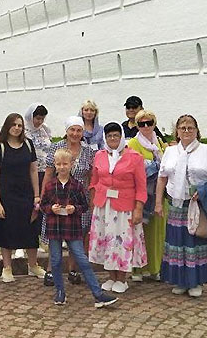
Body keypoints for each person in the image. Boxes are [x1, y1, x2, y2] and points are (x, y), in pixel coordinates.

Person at [155, 115, 207, 297]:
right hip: (176, 204)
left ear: (196, 130)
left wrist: (204, 190)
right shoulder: (170, 152)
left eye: (190, 128)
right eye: (183, 128)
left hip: (198, 204)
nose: (186, 131)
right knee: (177, 243)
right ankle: (180, 281)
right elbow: (162, 177)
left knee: (195, 241)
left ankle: (196, 281)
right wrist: (158, 204)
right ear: (177, 131)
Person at [41, 148, 118, 308]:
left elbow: (84, 206)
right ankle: (60, 292)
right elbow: (43, 205)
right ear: (55, 165)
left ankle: (98, 294)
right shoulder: (49, 186)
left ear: (71, 164)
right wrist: (51, 209)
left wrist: (74, 208)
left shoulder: (76, 185)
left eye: (65, 164)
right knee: (55, 261)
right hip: (54, 228)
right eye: (59, 164)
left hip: (72, 227)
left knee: (82, 260)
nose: (62, 167)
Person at [88, 122, 147, 294]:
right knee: (107, 241)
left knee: (122, 242)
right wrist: (93, 201)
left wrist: (138, 208)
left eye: (116, 135)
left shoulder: (134, 157)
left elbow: (141, 187)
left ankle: (122, 278)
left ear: (121, 137)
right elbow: (94, 180)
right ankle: (111, 276)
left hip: (124, 207)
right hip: (103, 206)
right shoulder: (99, 155)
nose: (113, 139)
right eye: (109, 136)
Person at [0, 113, 45, 283]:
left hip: (26, 194)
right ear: (7, 126)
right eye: (13, 124)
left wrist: (36, 195)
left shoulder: (28, 145)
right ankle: (7, 268)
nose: (16, 128)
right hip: (7, 195)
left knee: (30, 230)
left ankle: (33, 265)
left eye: (20, 125)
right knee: (7, 230)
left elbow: (34, 170)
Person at [42, 116, 95, 285]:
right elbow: (49, 174)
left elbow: (91, 177)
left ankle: (73, 269)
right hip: (56, 195)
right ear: (66, 131)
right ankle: (51, 270)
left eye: (79, 130)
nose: (75, 133)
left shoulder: (88, 151)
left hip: (77, 198)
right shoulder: (56, 147)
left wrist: (91, 201)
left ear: (83, 132)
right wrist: (43, 198)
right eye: (72, 129)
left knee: (76, 235)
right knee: (55, 237)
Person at [126, 110, 168, 282]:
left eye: (149, 123)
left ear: (154, 123)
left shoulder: (158, 143)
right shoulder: (134, 143)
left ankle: (155, 267)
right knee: (138, 231)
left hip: (157, 195)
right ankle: (137, 268)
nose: (145, 126)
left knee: (156, 233)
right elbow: (133, 166)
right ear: (136, 125)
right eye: (141, 123)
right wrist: (155, 166)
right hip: (141, 195)